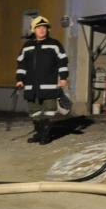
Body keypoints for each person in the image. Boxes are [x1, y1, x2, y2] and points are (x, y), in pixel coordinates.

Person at [16, 15, 69, 144]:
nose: (42, 30)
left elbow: (63, 61)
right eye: (38, 27)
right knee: (34, 112)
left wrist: (63, 78)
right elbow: (21, 64)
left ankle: (45, 136)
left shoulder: (55, 44)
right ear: (34, 30)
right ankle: (39, 134)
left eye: (44, 27)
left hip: (49, 85)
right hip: (31, 87)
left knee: (49, 111)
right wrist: (20, 79)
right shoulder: (27, 46)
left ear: (48, 30)